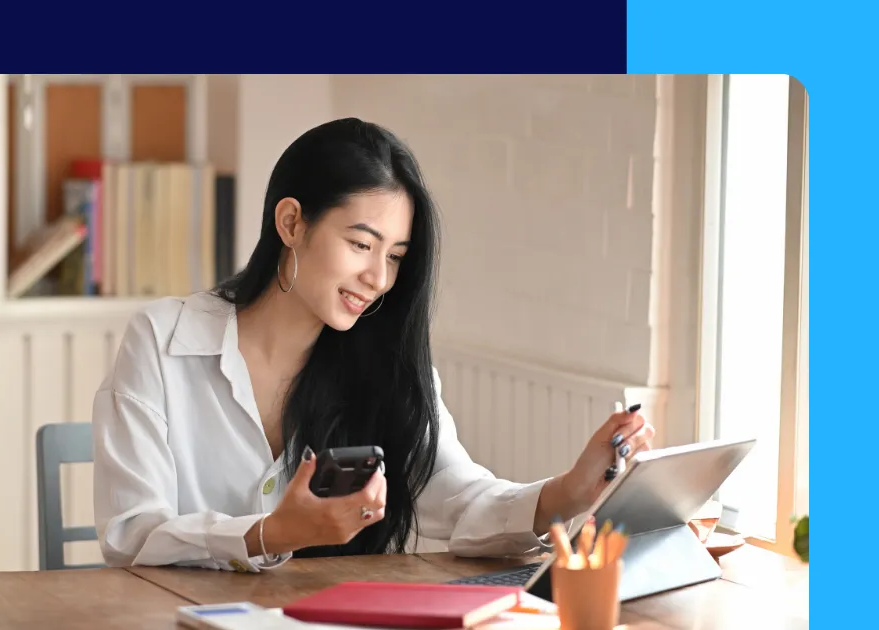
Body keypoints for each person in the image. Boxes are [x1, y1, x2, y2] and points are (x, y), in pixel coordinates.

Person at [91, 117, 655, 573]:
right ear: (291, 222)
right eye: (361, 244)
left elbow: (459, 499)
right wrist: (272, 532)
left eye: (395, 257)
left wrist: (570, 492)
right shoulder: (162, 341)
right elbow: (131, 533)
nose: (379, 278)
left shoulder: (385, 363)